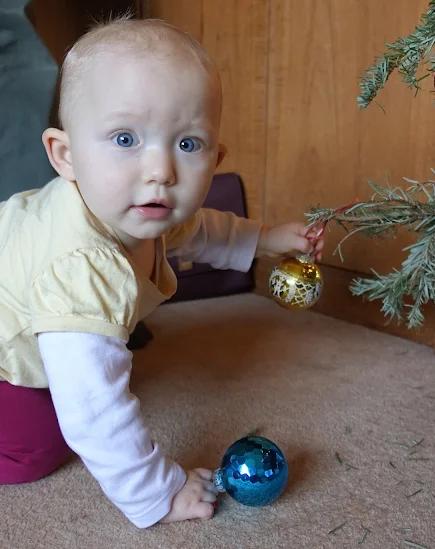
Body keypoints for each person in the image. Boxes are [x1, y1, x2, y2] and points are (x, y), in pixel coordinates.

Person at [0, 16, 324, 528]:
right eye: (125, 138)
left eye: (187, 144)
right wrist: (159, 494)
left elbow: (205, 232)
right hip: (6, 348)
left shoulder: (141, 206)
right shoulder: (80, 265)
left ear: (215, 160)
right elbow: (93, 411)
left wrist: (268, 240)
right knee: (34, 446)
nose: (161, 170)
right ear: (66, 156)